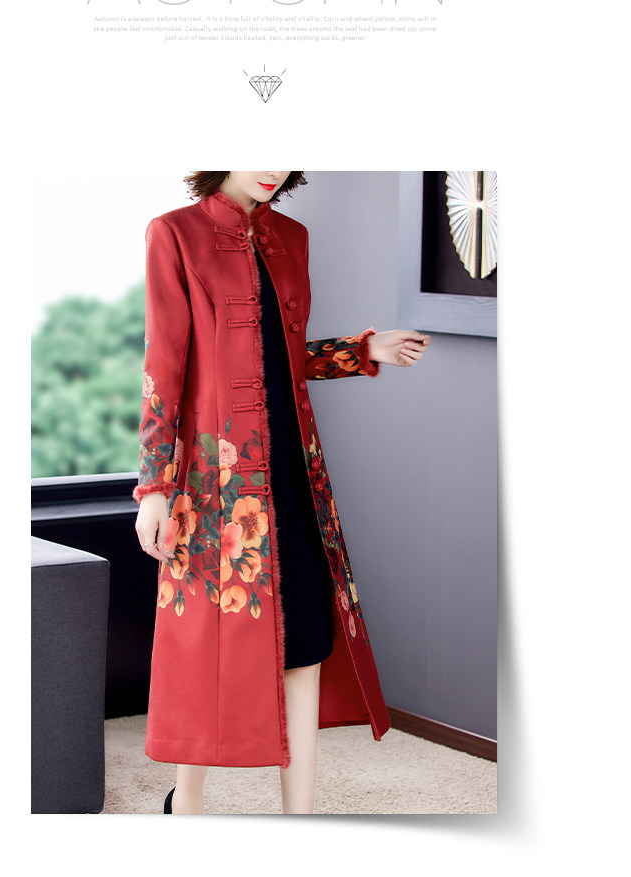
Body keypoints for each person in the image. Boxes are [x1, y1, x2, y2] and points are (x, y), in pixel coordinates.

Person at [134, 172, 431, 814]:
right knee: (207, 648)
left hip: (294, 472)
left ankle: (300, 815)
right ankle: (186, 803)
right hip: (215, 485)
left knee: (306, 639)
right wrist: (155, 487)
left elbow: (279, 357)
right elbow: (165, 366)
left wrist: (362, 350)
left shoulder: (291, 237)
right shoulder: (175, 234)